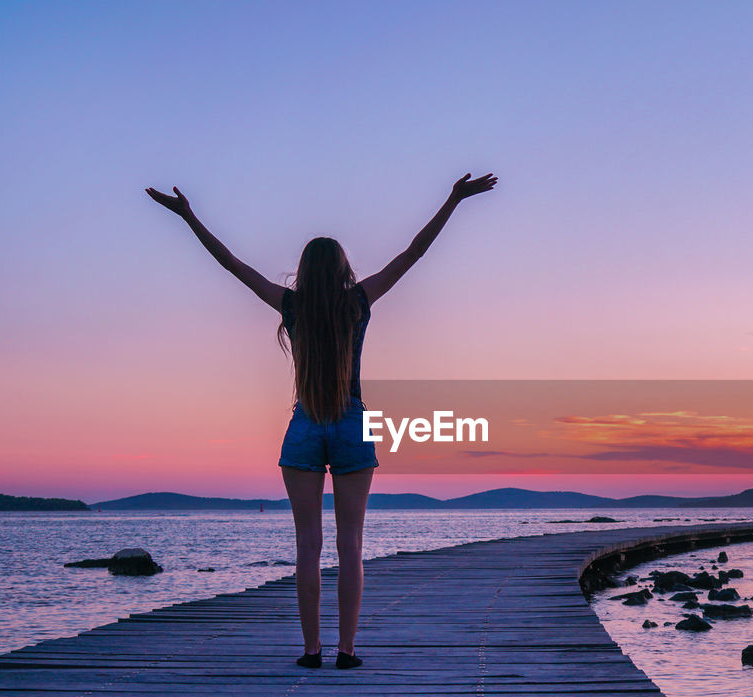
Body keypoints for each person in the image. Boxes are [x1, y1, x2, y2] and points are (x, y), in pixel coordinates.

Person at [145, 172, 497, 669]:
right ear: (343, 269)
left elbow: (232, 265)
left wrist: (189, 218)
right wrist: (453, 199)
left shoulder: (291, 305)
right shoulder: (358, 302)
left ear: (305, 272)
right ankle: (346, 650)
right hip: (352, 424)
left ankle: (311, 651)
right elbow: (413, 253)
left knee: (306, 547)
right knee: (350, 546)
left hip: (305, 426)